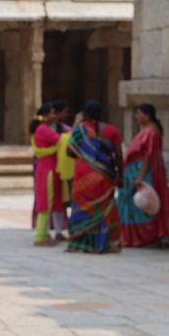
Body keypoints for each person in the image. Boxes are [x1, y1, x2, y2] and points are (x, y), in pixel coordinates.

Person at [67, 100, 123, 254]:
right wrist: (121, 175)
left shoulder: (80, 130)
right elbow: (118, 155)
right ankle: (104, 243)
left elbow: (69, 151)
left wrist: (86, 153)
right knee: (104, 209)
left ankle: (80, 244)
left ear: (84, 113)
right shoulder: (111, 130)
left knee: (82, 208)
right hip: (104, 174)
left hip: (82, 175)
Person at [117, 103, 169, 247]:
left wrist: (140, 177)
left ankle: (143, 237)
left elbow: (148, 157)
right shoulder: (147, 130)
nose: (136, 116)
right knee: (132, 204)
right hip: (134, 171)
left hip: (141, 173)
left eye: (138, 113)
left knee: (140, 204)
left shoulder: (151, 133)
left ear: (147, 115)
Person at [31, 103, 67, 246]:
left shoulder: (43, 128)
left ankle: (45, 234)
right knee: (46, 201)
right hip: (47, 170)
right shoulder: (43, 129)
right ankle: (40, 236)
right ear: (45, 116)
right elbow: (61, 140)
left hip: (51, 168)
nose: (55, 116)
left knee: (52, 201)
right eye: (52, 113)